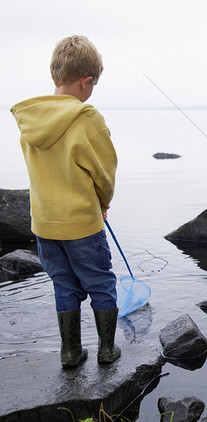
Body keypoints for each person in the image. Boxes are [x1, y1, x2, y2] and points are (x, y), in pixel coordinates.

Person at [10, 35, 121, 368]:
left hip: (44, 223)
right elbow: (105, 173)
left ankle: (70, 352)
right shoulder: (86, 119)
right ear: (86, 81)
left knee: (63, 284)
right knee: (101, 282)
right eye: (92, 86)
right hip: (81, 223)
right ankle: (106, 350)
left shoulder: (30, 119)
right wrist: (103, 203)